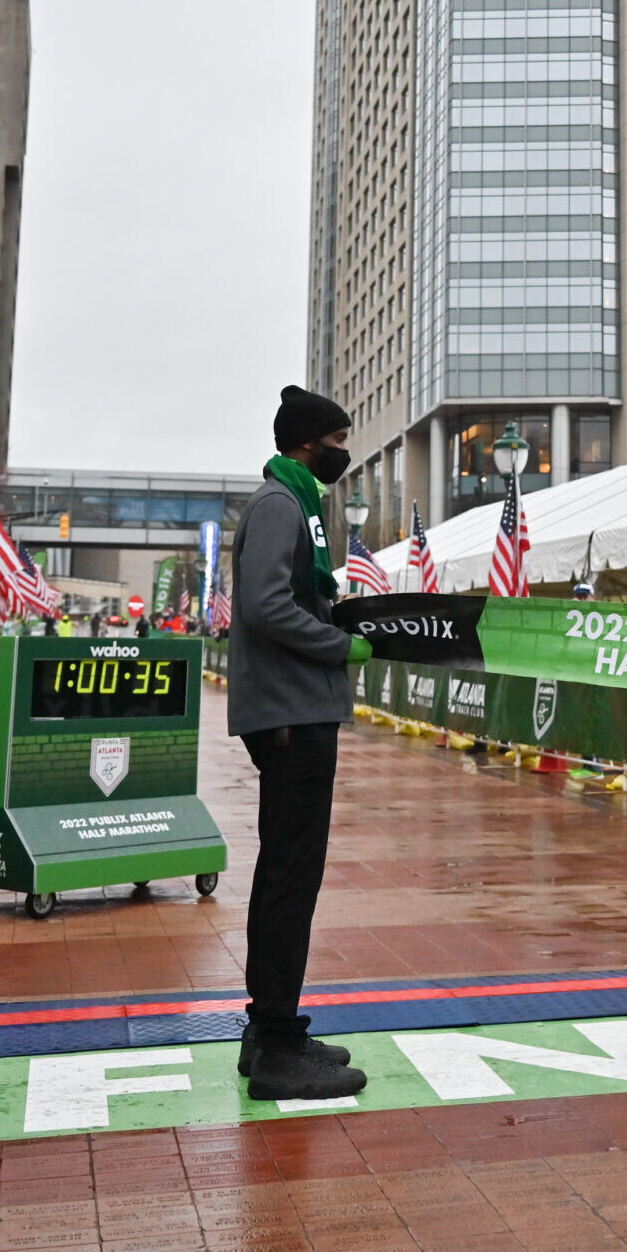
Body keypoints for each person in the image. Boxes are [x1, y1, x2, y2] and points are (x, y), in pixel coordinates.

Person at [228, 384, 374, 1101]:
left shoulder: (289, 502)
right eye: (338, 440)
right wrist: (339, 644)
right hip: (292, 714)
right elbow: (266, 605)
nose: (344, 452)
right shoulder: (282, 504)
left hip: (293, 709)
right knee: (291, 877)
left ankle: (270, 1030)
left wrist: (338, 617)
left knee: (284, 872)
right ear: (307, 443)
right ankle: (280, 1042)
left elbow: (286, 598)